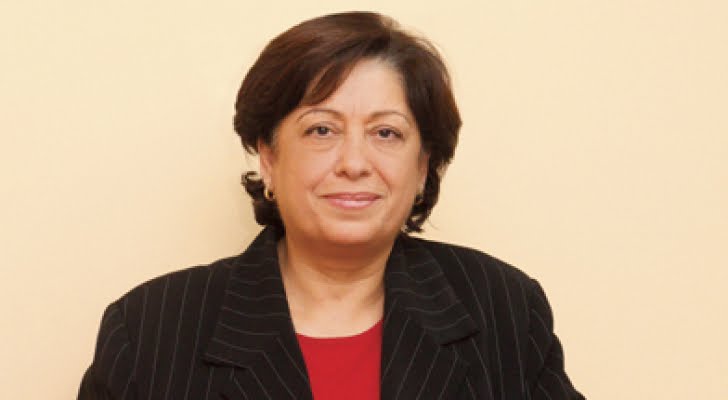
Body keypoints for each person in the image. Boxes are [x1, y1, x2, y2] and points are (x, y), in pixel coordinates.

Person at [78, 11, 584, 400]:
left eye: (386, 133)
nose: (354, 163)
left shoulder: (504, 308)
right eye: (322, 130)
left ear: (423, 165)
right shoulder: (148, 330)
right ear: (269, 157)